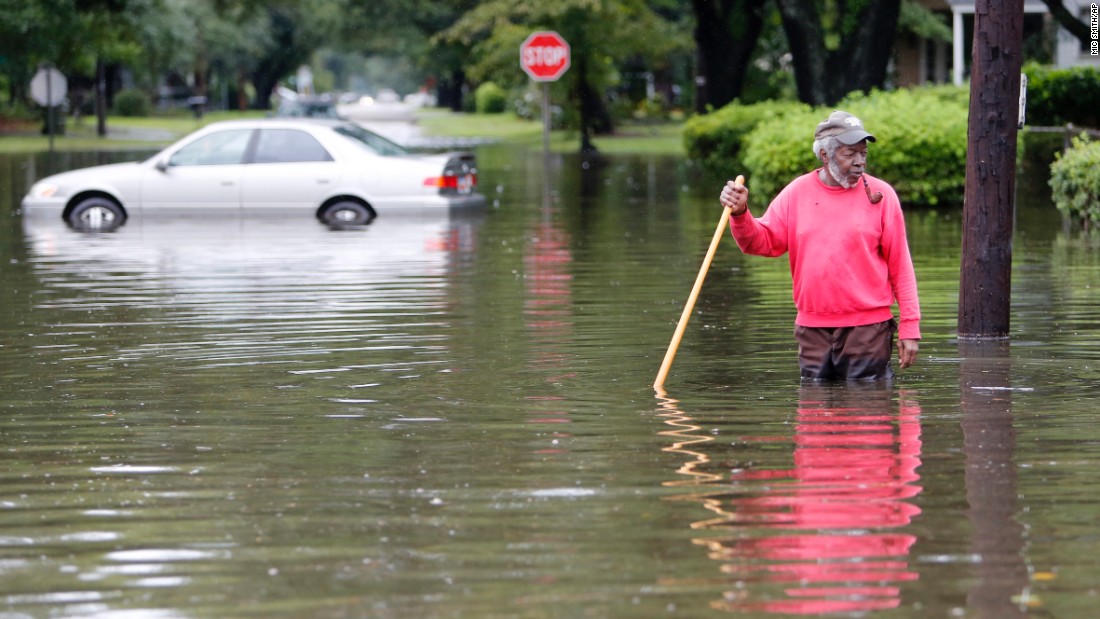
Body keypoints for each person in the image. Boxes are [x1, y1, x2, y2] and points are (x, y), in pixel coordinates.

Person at [718, 110, 920, 381]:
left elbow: (901, 266)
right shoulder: (796, 193)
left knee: (868, 412)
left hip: (867, 329)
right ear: (825, 155)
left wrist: (910, 327)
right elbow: (762, 243)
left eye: (864, 153)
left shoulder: (882, 196)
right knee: (814, 413)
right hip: (812, 329)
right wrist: (741, 213)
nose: (860, 162)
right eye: (850, 154)